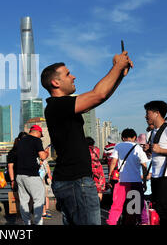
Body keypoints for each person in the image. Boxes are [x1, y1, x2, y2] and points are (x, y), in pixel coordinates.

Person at [41, 51, 133, 225]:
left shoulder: (61, 107)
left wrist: (119, 74)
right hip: (76, 182)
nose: (73, 77)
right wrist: (117, 66)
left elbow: (100, 97)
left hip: (72, 182)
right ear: (56, 82)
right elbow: (98, 95)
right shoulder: (58, 106)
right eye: (68, 74)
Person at [106, 129, 149, 225]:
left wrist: (110, 176)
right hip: (136, 181)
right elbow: (144, 166)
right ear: (134, 138)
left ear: (122, 138)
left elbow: (113, 162)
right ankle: (144, 222)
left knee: (117, 205)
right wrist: (145, 182)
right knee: (138, 206)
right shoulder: (138, 147)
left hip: (121, 181)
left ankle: (111, 222)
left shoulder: (118, 146)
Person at [14, 125, 50, 225]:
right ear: (37, 132)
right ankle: (38, 223)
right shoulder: (36, 140)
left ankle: (27, 223)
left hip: (20, 175)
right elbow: (42, 156)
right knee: (39, 199)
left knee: (24, 201)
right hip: (31, 175)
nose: (40, 137)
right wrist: (46, 152)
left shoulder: (20, 141)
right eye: (40, 135)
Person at [86, 137, 105, 202]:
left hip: (90, 168)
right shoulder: (97, 149)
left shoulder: (85, 149)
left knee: (89, 187)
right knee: (99, 189)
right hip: (98, 168)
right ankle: (99, 204)